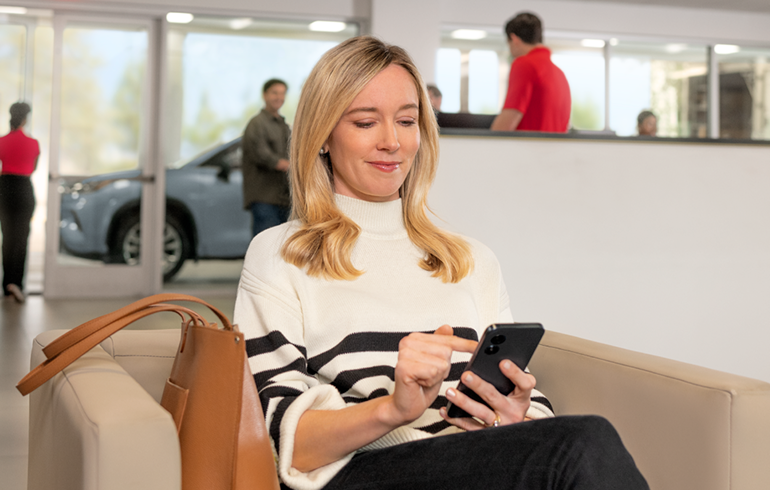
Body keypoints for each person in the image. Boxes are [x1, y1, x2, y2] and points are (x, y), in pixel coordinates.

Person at [234, 36, 648, 490]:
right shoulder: (282, 254)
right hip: (358, 474)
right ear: (323, 137)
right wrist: (395, 408)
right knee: (585, 442)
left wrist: (514, 417)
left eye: (406, 121)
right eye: (366, 122)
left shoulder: (470, 260)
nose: (392, 142)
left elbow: (533, 419)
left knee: (579, 446)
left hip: (474, 465)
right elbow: (282, 443)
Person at [490, 12, 571, 133]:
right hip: (552, 145)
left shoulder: (524, 64)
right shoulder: (560, 74)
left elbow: (505, 125)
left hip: (526, 145)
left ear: (514, 39)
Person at [0, 102, 40, 303]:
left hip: (5, 188)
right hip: (24, 188)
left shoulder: (2, 141)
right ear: (25, 119)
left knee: (7, 237)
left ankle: (7, 284)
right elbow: (33, 168)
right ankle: (17, 283)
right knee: (21, 238)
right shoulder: (33, 143)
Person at [242, 78, 292, 237]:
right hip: (265, 198)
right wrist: (290, 166)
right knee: (265, 244)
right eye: (274, 93)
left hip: (284, 199)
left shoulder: (283, 125)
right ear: (264, 95)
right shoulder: (256, 123)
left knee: (283, 246)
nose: (279, 97)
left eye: (282, 93)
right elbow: (261, 154)